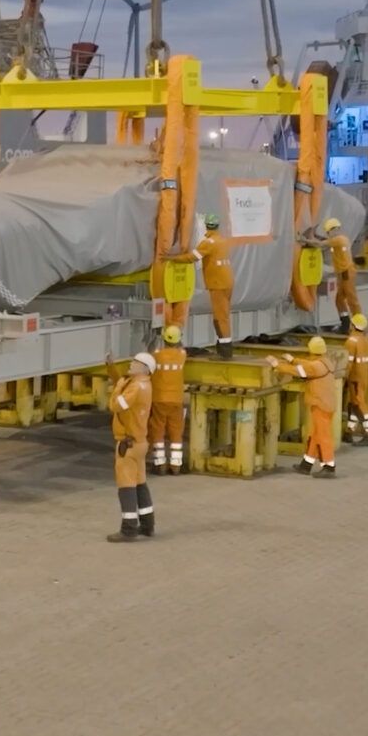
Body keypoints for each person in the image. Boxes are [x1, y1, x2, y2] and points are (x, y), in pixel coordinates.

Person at [273, 335, 341, 477]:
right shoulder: (325, 362)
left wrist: (277, 365)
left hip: (320, 404)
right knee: (315, 434)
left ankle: (329, 467)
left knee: (323, 436)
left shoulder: (314, 366)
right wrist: (293, 360)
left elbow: (298, 371)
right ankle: (306, 464)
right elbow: (308, 365)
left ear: (311, 350)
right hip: (326, 404)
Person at [109, 351, 157, 542]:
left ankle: (128, 529)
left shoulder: (135, 387)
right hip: (140, 442)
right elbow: (121, 381)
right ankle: (147, 525)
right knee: (140, 483)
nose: (131, 363)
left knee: (126, 485)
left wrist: (118, 387)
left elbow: (115, 405)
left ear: (144, 368)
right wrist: (112, 369)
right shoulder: (144, 384)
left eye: (135, 362)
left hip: (127, 444)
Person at [149, 322, 188, 475]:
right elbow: (181, 347)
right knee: (176, 430)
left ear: (164, 339)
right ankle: (176, 464)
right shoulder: (182, 355)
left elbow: (150, 352)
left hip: (159, 398)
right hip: (176, 399)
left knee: (158, 430)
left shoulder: (157, 355)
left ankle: (160, 464)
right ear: (178, 340)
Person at [195, 215, 236, 357]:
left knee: (220, 317)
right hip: (227, 282)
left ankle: (225, 351)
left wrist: (172, 259)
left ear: (206, 225)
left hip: (217, 284)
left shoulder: (208, 243)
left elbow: (191, 257)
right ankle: (224, 346)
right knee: (223, 315)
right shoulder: (223, 241)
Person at [340, 314, 368, 446]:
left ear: (353, 325)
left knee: (359, 404)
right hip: (363, 376)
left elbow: (348, 362)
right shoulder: (366, 341)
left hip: (354, 377)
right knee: (355, 403)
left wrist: (344, 377)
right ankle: (349, 431)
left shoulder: (351, 341)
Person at [320, 216, 360, 331]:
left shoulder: (339, 240)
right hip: (341, 274)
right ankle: (345, 324)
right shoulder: (340, 240)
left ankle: (359, 326)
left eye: (329, 232)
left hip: (347, 273)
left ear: (333, 230)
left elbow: (320, 245)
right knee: (339, 300)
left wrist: (305, 241)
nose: (329, 234)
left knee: (352, 299)